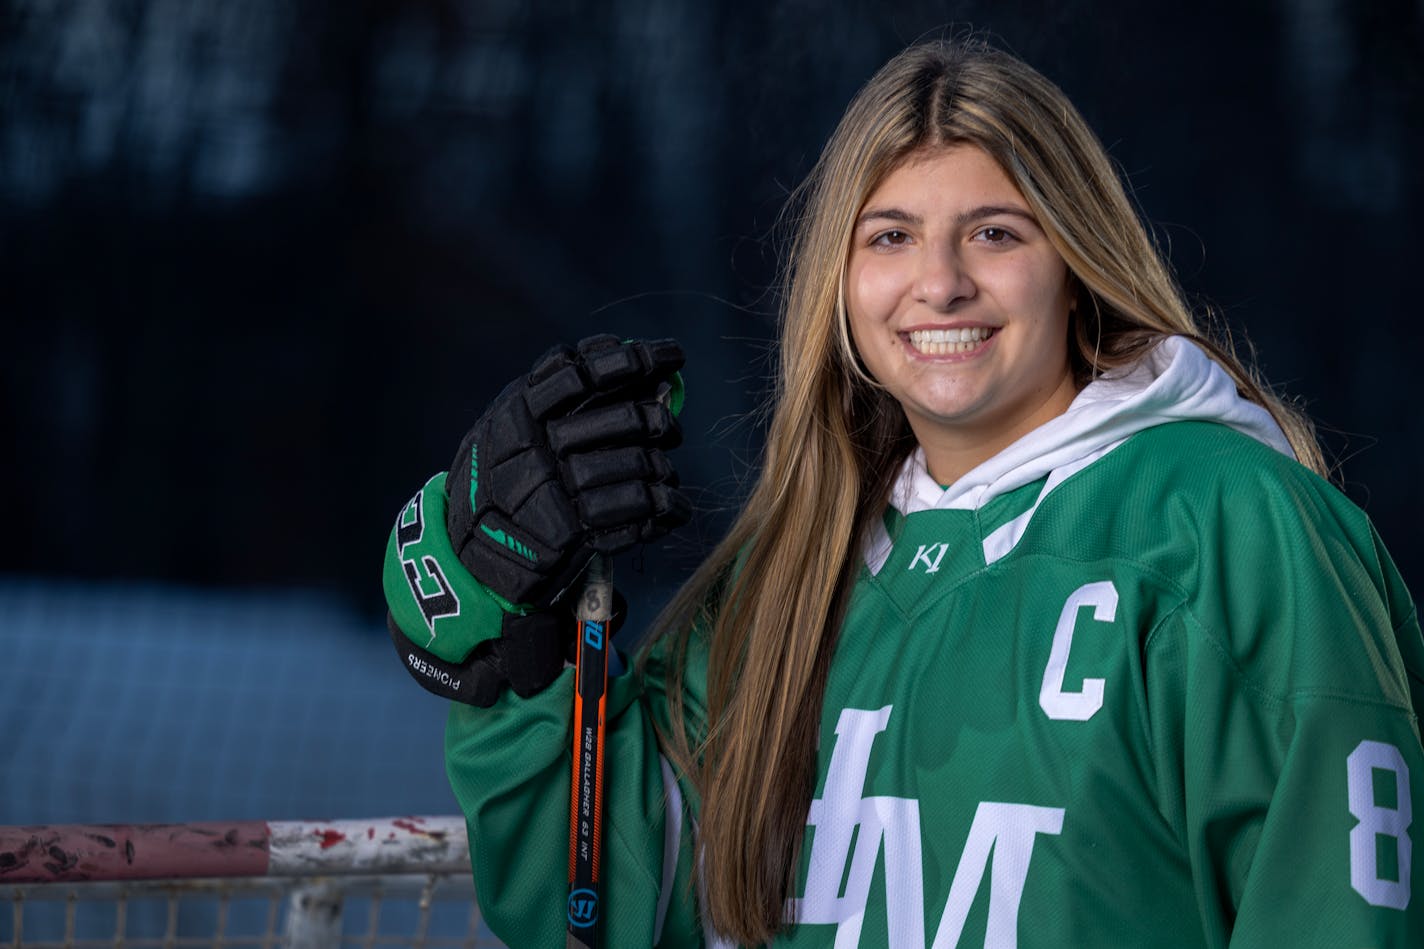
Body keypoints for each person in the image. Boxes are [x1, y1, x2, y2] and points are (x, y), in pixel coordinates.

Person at [382, 38, 1424, 947]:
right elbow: (611, 902)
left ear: (1074, 263)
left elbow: (1338, 911)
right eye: (888, 236)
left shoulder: (1234, 526)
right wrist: (503, 645)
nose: (938, 282)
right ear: (838, 285)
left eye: (994, 232)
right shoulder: (790, 574)